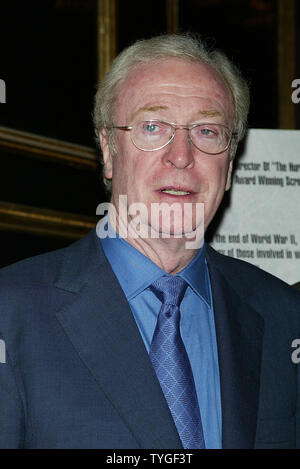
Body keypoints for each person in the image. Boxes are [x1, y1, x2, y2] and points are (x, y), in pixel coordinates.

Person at [0, 34, 299, 449]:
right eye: (153, 127)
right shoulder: (11, 312)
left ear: (229, 165)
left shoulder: (284, 317)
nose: (181, 155)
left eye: (207, 131)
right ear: (108, 149)